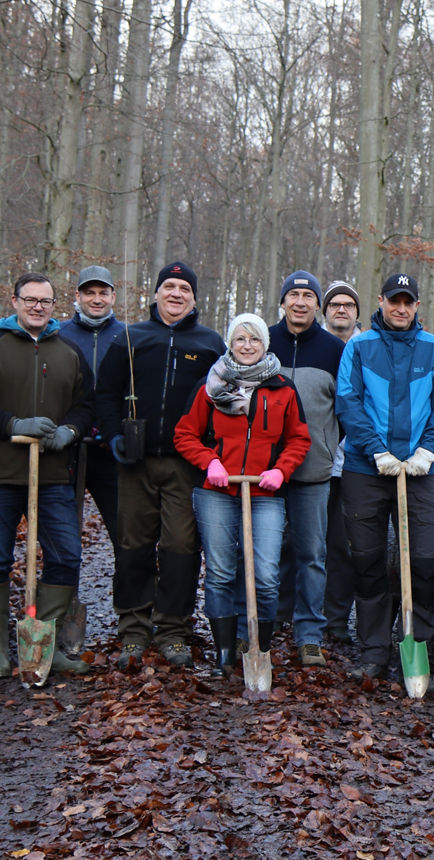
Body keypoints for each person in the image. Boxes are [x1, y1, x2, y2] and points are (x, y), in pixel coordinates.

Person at [96, 261, 224, 668]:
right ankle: (133, 628)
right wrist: (115, 433)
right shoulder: (130, 337)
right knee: (133, 545)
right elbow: (106, 392)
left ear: (194, 297)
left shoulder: (209, 344)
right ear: (155, 293)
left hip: (186, 466)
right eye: (168, 287)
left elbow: (224, 403)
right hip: (135, 463)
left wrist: (211, 450)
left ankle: (173, 629)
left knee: (181, 548)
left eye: (184, 289)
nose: (175, 294)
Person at [174, 314, 311, 677]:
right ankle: (224, 654)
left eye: (254, 339)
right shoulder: (210, 386)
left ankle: (258, 648)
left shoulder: (283, 388)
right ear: (230, 344)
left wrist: (280, 470)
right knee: (220, 571)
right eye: (240, 339)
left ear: (265, 345)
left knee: (265, 574)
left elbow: (299, 438)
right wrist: (210, 463)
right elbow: (185, 434)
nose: (247, 345)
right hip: (217, 491)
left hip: (265, 491)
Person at [335, 273, 434, 683]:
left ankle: (415, 645)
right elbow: (348, 401)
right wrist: (375, 449)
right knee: (367, 562)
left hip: (418, 472)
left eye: (408, 302)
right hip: (365, 471)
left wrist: (427, 449)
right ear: (381, 301)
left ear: (417, 306)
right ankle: (373, 651)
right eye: (394, 301)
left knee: (422, 560)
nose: (401, 309)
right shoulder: (359, 346)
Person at [0, 273, 94, 676]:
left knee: (66, 556)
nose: (38, 307)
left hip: (53, 475)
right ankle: (1, 653)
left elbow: (86, 405)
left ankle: (40, 645)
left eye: (45, 301)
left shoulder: (68, 350)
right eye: (30, 299)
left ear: (55, 305)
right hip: (2, 474)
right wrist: (12, 424)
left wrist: (69, 432)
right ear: (15, 301)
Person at [268, 271, 344, 666]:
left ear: (318, 304)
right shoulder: (263, 341)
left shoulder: (334, 350)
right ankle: (267, 621)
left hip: (313, 471)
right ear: (283, 301)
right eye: (293, 294)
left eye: (307, 296)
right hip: (264, 471)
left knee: (312, 553)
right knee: (267, 550)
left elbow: (345, 409)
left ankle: (309, 632)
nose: (300, 302)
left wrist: (328, 445)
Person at [59, 265, 126, 547]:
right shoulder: (59, 334)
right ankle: (64, 591)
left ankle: (131, 591)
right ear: (77, 295)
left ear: (113, 297)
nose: (96, 299)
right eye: (90, 293)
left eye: (103, 293)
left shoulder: (128, 337)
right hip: (65, 448)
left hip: (110, 450)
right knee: (61, 534)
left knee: (124, 531)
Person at [320, 280, 361, 641]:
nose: (341, 309)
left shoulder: (367, 348)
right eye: (335, 304)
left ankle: (335, 622)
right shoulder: (316, 346)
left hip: (353, 464)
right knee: (299, 543)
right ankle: (292, 616)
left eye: (348, 304)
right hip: (313, 462)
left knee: (343, 545)